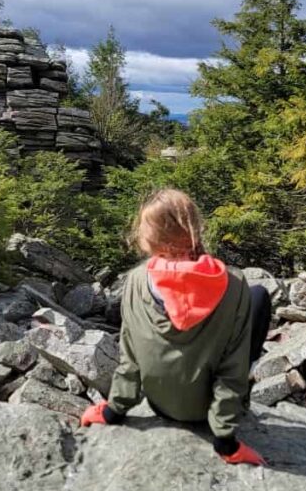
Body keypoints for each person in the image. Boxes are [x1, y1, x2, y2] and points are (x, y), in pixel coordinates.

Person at [80, 188, 271, 465]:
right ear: (194, 227)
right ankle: (237, 404)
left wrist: (112, 411)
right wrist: (226, 443)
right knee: (260, 298)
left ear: (150, 238)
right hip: (207, 411)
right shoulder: (233, 283)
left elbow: (130, 358)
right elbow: (233, 367)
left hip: (161, 406)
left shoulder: (135, 281)